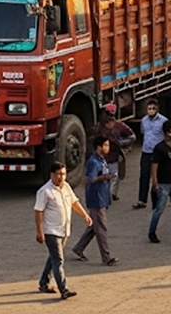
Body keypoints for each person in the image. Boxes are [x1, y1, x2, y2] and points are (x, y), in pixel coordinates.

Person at [34, 161, 92, 300]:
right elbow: (39, 212)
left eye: (64, 174)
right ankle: (63, 289)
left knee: (54, 258)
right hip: (51, 231)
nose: (61, 177)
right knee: (58, 260)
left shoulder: (66, 187)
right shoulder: (45, 191)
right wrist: (40, 231)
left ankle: (43, 282)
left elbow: (74, 202)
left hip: (64, 229)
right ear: (52, 175)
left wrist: (85, 215)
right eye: (59, 174)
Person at [71, 136, 118, 266]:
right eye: (105, 145)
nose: (107, 148)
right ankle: (106, 257)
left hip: (103, 197)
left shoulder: (102, 160)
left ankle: (79, 248)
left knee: (94, 226)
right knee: (101, 228)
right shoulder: (93, 162)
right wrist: (104, 177)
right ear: (98, 147)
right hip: (96, 199)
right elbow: (91, 179)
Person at [89, 104, 134, 202]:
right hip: (102, 157)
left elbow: (132, 136)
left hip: (114, 156)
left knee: (114, 176)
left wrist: (121, 143)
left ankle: (111, 194)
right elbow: (92, 139)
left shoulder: (119, 126)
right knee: (102, 176)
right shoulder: (98, 128)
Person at [134, 98, 167, 209]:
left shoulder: (163, 121)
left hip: (158, 153)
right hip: (146, 152)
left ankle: (161, 199)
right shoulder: (144, 121)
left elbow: (166, 136)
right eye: (149, 108)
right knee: (144, 175)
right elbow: (143, 133)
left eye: (153, 108)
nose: (151, 110)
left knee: (159, 176)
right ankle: (142, 200)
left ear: (157, 109)